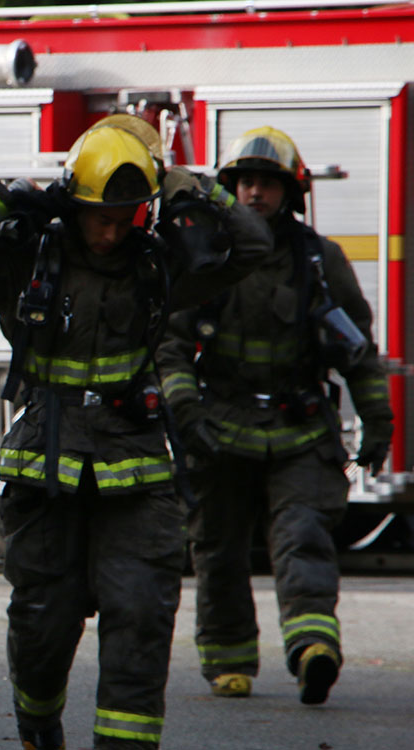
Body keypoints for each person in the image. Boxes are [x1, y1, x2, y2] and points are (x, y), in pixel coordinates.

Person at [0, 119, 272, 750]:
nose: (111, 231)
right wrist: (7, 192)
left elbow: (251, 248)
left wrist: (190, 186)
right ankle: (38, 725)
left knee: (142, 616)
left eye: (126, 216)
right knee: (43, 626)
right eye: (99, 216)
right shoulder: (30, 261)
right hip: (45, 466)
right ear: (73, 205)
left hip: (136, 469)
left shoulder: (162, 264)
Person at [156, 126, 393, 705]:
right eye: (245, 182)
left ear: (291, 193)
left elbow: (356, 350)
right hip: (220, 426)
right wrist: (185, 409)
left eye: (267, 183)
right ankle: (230, 661)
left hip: (300, 429)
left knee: (303, 536)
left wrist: (377, 419)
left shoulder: (319, 260)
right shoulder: (206, 260)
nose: (255, 193)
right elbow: (171, 344)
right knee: (217, 547)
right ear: (230, 189)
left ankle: (313, 647)